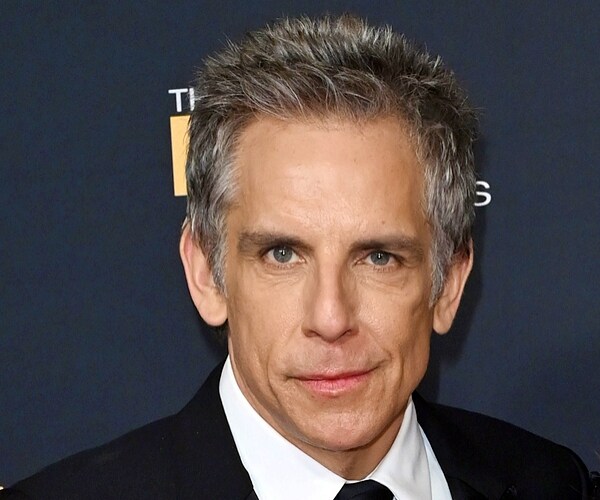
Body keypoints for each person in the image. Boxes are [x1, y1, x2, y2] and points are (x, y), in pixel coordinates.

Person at [2, 14, 596, 500]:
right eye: (282, 254)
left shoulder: (549, 483)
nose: (331, 318)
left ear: (449, 283)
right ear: (206, 272)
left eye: (379, 258)